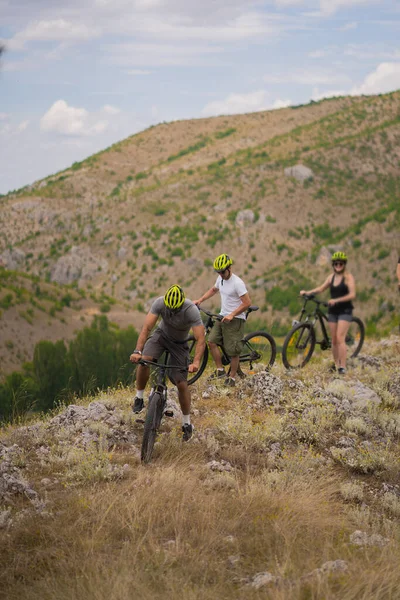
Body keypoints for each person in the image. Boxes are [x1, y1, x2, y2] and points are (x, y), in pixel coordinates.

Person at [129, 284, 205, 441]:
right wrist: (138, 351)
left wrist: (196, 362)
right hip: (161, 336)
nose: (172, 312)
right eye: (170, 309)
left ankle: (186, 423)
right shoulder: (160, 302)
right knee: (144, 361)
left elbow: (200, 339)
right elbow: (146, 328)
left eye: (175, 310)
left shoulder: (191, 309)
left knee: (181, 383)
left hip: (179, 344)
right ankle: (139, 397)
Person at [193, 253, 251, 387]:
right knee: (212, 341)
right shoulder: (221, 279)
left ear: (229, 268)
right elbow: (214, 289)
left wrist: (232, 314)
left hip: (235, 319)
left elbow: (247, 303)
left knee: (233, 351)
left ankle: (232, 378)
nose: (221, 274)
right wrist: (200, 300)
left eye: (223, 272)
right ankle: (220, 370)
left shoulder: (238, 283)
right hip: (222, 316)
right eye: (218, 272)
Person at [300, 251, 356, 375]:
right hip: (333, 311)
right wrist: (307, 292)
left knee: (340, 338)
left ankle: (343, 366)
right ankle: (336, 364)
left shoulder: (348, 277)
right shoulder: (331, 277)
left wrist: (336, 300)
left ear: (344, 264)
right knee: (334, 340)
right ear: (333, 264)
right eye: (336, 263)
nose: (338, 265)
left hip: (345, 311)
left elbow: (352, 294)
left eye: (340, 263)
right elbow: (320, 288)